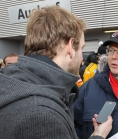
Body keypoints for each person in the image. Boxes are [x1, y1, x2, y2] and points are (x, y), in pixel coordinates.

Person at [0, 6, 112, 139]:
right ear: (70, 46)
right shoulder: (42, 116)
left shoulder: (17, 84)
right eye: (81, 48)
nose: (81, 57)